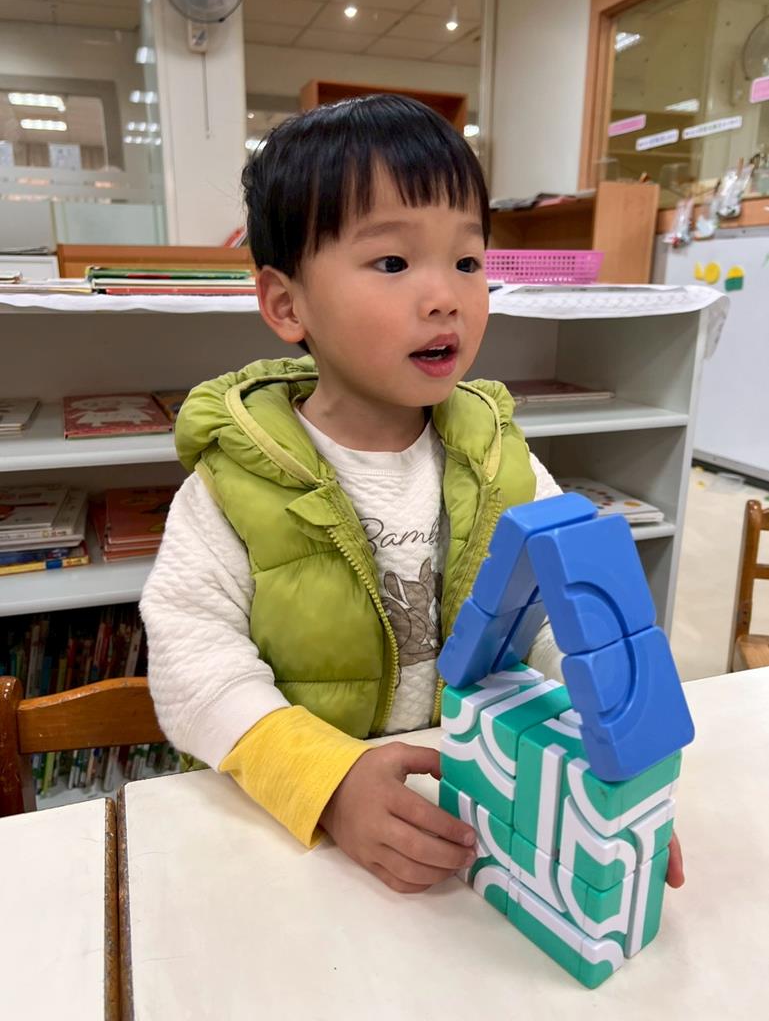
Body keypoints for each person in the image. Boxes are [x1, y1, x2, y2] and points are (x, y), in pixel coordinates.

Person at [140, 94, 683, 894]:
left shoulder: (501, 459)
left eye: (467, 262)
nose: (445, 297)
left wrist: (616, 778)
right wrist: (327, 784)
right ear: (287, 305)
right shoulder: (235, 480)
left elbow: (560, 625)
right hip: (294, 833)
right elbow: (194, 670)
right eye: (393, 263)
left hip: (471, 813)